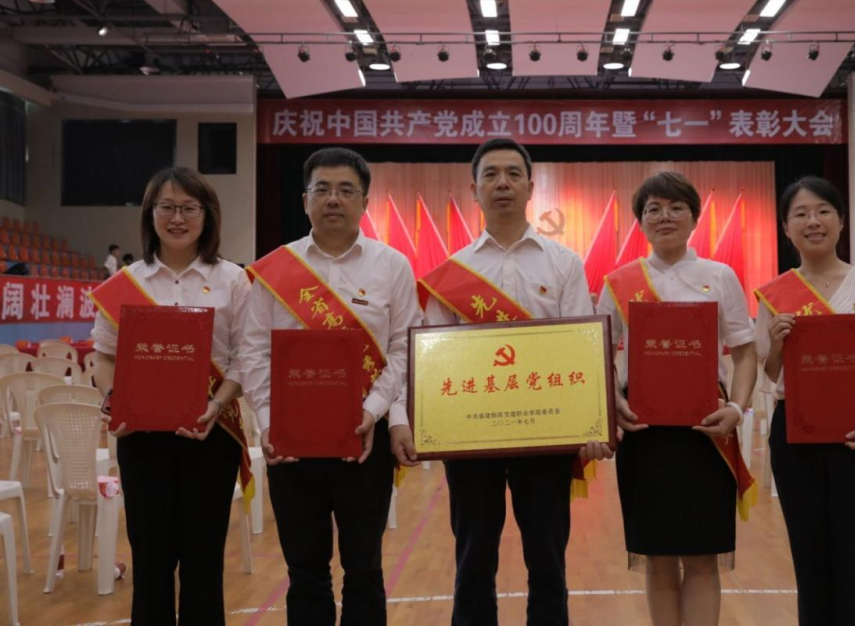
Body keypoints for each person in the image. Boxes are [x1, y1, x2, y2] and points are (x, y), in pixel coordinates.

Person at [394, 138, 596, 626]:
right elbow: (433, 360)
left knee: (548, 560)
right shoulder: (452, 274)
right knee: (473, 558)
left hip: (546, 431)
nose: (502, 183)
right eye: (490, 175)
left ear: (530, 186)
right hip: (471, 436)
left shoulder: (564, 263)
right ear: (474, 189)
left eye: (512, 173)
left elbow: (582, 349)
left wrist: (592, 422)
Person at [240, 147, 421, 626]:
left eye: (345, 190)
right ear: (305, 200)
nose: (333, 199)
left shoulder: (393, 266)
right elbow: (253, 352)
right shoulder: (275, 270)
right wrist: (268, 422)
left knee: (364, 570)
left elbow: (405, 347)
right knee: (305, 573)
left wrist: (374, 410)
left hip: (364, 441)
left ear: (364, 202)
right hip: (290, 444)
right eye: (322, 189)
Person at [89, 167, 251, 625]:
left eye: (188, 208)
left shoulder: (234, 280)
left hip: (210, 435)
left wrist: (217, 404)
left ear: (207, 215)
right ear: (150, 214)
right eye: (166, 207)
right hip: (141, 437)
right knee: (150, 563)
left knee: (204, 563)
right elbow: (104, 356)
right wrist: (114, 398)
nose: (177, 218)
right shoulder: (125, 283)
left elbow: (245, 358)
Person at [596, 172, 758, 626]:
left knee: (703, 555)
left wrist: (737, 408)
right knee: (659, 555)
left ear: (694, 217)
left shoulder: (719, 276)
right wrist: (614, 400)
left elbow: (745, 353)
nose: (664, 217)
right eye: (653, 209)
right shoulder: (618, 281)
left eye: (676, 208)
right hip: (644, 430)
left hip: (707, 429)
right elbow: (599, 354)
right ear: (640, 221)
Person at [754, 176, 855, 626]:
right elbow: (771, 374)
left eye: (823, 211)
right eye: (800, 214)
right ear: (786, 228)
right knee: (811, 565)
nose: (813, 221)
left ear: (841, 221)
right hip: (795, 437)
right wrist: (777, 345)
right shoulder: (774, 293)